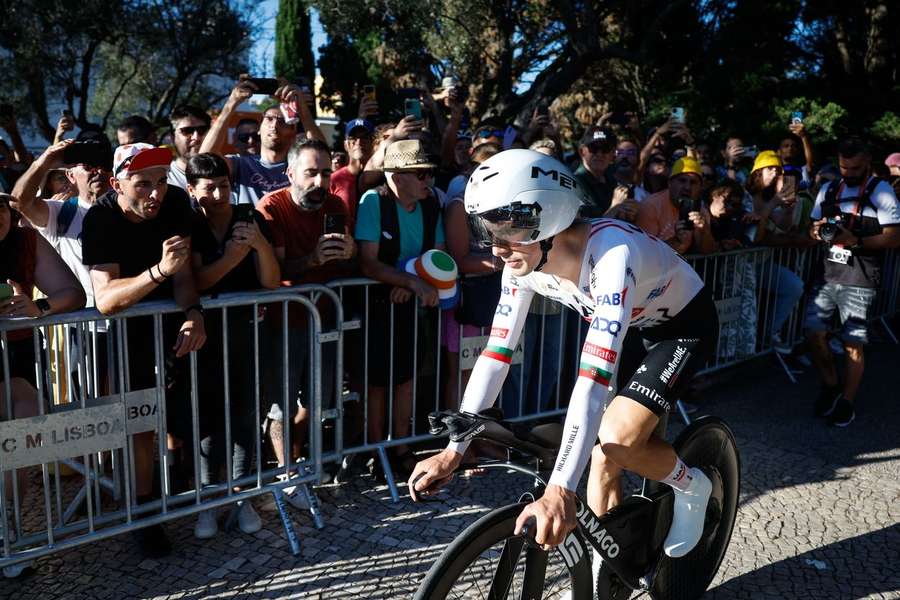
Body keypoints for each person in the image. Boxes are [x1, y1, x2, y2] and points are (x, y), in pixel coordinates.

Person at [410, 150, 719, 566]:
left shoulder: (612, 254)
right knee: (601, 460)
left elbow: (589, 382)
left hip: (682, 327)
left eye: (505, 228)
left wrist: (559, 489)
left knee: (618, 439)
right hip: (633, 326)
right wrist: (456, 447)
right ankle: (607, 571)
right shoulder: (523, 262)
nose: (497, 249)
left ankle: (692, 486)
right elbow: (496, 354)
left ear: (549, 216)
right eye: (486, 230)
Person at [81, 143, 207, 557]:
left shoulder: (173, 204)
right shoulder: (100, 218)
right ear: (117, 184)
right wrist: (158, 273)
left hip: (169, 328)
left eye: (160, 181)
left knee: (177, 418)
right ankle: (143, 514)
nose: (155, 192)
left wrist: (192, 311)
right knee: (138, 425)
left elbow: (184, 272)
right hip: (119, 335)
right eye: (142, 185)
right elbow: (106, 298)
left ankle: (177, 491)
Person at [256, 139, 354, 505]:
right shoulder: (272, 206)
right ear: (291, 172)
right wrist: (312, 259)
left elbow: (349, 257)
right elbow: (274, 271)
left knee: (316, 401)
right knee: (279, 404)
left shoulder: (334, 204)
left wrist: (350, 251)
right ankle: (286, 475)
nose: (320, 181)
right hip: (283, 321)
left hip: (325, 318)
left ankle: (296, 467)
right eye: (312, 172)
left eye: (326, 173)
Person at [0, 192, 86, 578]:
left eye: (1, 207)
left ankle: (7, 526)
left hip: (14, 363)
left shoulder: (26, 240)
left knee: (24, 423)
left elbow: (71, 293)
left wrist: (39, 308)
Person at [355, 139, 444, 479]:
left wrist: (410, 281)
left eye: (430, 173)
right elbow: (367, 262)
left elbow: (436, 256)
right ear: (396, 176)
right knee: (377, 382)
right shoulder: (373, 202)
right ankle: (378, 451)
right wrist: (411, 282)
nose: (428, 181)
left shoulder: (431, 204)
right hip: (376, 304)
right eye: (420, 173)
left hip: (410, 303)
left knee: (406, 379)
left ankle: (402, 447)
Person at [805, 137, 900, 426]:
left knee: (852, 342)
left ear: (867, 162)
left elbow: (895, 237)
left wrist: (855, 239)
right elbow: (812, 229)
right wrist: (818, 231)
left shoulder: (882, 192)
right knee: (813, 333)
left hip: (861, 278)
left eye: (855, 168)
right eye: (844, 167)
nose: (849, 173)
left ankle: (847, 401)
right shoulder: (829, 188)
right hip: (828, 274)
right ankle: (831, 384)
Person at [201, 77, 326, 206]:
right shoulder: (241, 165)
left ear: (294, 132)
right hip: (249, 226)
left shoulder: (299, 167)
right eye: (269, 118)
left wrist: (302, 109)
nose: (275, 124)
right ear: (259, 129)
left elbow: (322, 155)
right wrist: (231, 104)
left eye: (282, 121)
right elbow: (204, 160)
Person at [636, 156, 716, 254]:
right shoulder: (650, 206)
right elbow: (646, 252)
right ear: (670, 183)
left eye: (693, 182)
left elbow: (709, 252)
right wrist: (676, 240)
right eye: (682, 180)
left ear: (700, 188)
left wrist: (705, 232)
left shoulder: (701, 211)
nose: (687, 187)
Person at [329, 118, 375, 223]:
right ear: (346, 145)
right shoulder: (334, 179)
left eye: (365, 137)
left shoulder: (381, 178)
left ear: (373, 143)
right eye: (353, 138)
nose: (359, 142)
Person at [167, 105, 211, 190]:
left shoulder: (226, 171)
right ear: (172, 137)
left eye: (202, 130)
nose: (196, 137)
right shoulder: (165, 178)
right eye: (187, 131)